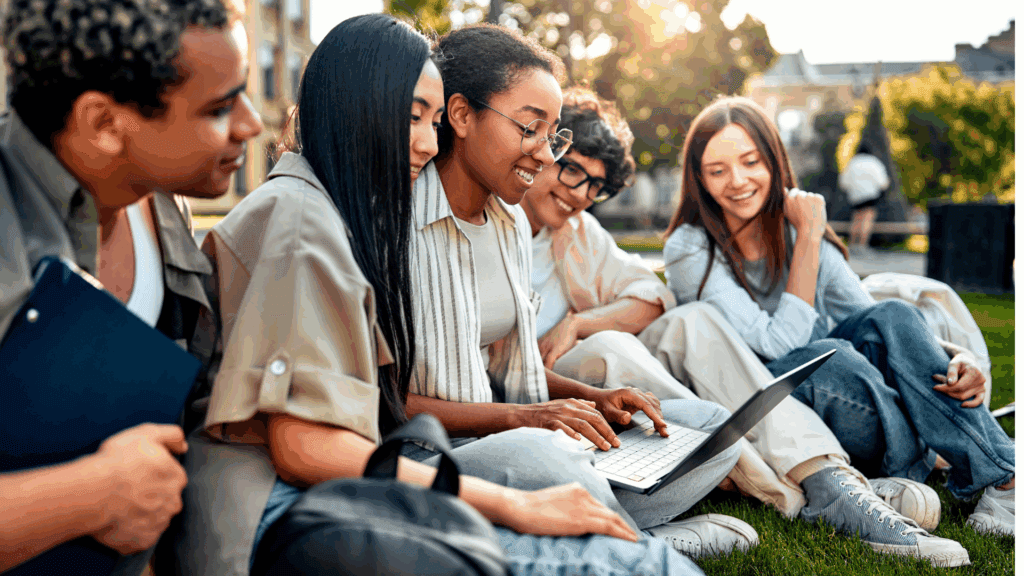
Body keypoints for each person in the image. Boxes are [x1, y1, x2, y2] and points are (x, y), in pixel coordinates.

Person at [173, 15, 704, 576]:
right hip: (281, 519)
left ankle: (639, 538)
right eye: (411, 118)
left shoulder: (330, 213)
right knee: (651, 570)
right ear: (353, 107)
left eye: (432, 120)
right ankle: (648, 544)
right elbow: (306, 448)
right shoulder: (301, 223)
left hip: (337, 496)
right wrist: (515, 503)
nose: (428, 143)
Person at [519, 86, 949, 541]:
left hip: (598, 384)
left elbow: (651, 297)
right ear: (544, 150)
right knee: (615, 345)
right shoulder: (490, 227)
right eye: (571, 171)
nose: (580, 194)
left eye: (595, 186)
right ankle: (797, 490)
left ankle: (825, 476)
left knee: (693, 320)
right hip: (537, 386)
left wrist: (578, 323)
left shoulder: (579, 233)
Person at [403, 24, 755, 559]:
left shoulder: (509, 225)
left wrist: (592, 400)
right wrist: (530, 419)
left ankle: (594, 529)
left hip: (519, 439)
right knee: (542, 454)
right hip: (440, 456)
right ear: (460, 115)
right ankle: (639, 549)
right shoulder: (399, 223)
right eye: (529, 129)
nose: (545, 157)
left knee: (709, 428)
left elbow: (507, 370)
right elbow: (386, 402)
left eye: (553, 136)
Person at [663, 95, 1015, 565]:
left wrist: (955, 357)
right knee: (830, 354)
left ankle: (1005, 480)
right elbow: (778, 346)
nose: (739, 181)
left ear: (773, 160)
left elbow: (880, 325)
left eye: (751, 161)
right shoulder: (690, 247)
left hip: (865, 401)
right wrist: (807, 238)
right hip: (781, 405)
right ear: (700, 180)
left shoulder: (795, 229)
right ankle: (932, 457)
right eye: (718, 169)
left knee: (890, 313)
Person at [0, 0, 261, 572]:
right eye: (220, 106)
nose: (251, 123)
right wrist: (86, 498)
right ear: (104, 124)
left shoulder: (164, 200)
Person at [838, 143, 890, 255]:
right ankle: (862, 245)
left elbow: (843, 183)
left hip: (855, 196)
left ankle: (852, 244)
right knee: (867, 219)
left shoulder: (852, 162)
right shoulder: (873, 162)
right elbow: (883, 182)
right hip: (870, 195)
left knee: (856, 219)